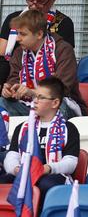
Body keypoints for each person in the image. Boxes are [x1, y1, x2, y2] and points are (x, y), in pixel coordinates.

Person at [2, 77, 80, 210]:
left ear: (55, 103)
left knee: (44, 183)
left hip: (52, 176)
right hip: (24, 173)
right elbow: (12, 156)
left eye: (40, 97)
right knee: (4, 180)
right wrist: (16, 169)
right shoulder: (23, 127)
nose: (35, 101)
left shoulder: (69, 129)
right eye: (35, 97)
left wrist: (47, 168)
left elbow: (71, 163)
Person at [0, 10, 85, 118]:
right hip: (28, 104)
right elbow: (14, 79)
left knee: (55, 105)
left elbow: (61, 89)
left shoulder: (63, 49)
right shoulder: (19, 52)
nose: (17, 38)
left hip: (60, 104)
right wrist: (10, 89)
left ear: (39, 34)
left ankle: (51, 134)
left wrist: (33, 92)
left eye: (23, 34)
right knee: (2, 103)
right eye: (17, 33)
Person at [0, 0, 75, 86]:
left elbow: (63, 62)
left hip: (47, 84)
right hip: (12, 79)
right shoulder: (14, 19)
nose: (33, 6)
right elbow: (2, 57)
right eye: (30, 0)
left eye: (40, 2)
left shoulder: (63, 23)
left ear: (53, 0)